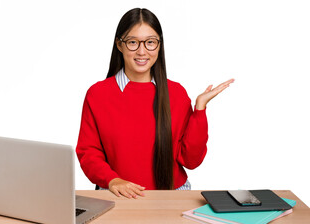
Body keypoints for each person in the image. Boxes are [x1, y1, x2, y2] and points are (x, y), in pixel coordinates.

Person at [76, 8, 234, 199]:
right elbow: (88, 152)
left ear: (159, 45)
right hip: (116, 193)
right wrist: (112, 180)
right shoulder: (98, 94)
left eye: (150, 42)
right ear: (119, 45)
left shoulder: (176, 93)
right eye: (133, 42)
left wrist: (199, 109)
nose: (142, 51)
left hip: (171, 196)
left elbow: (191, 160)